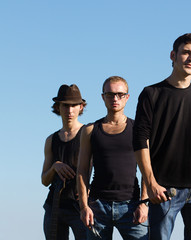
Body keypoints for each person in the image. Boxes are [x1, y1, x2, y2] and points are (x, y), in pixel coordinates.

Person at [133, 33, 191, 239]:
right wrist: (151, 183)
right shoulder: (151, 93)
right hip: (165, 190)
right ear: (173, 55)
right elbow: (140, 140)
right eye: (186, 52)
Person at [77, 76, 148, 240]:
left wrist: (144, 203)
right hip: (98, 207)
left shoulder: (138, 129)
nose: (115, 98)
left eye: (120, 94)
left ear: (127, 97)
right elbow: (82, 171)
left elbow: (147, 169)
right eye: (110, 94)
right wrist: (84, 206)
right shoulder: (90, 130)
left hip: (131, 205)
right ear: (103, 97)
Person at [41, 84, 87, 240]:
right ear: (58, 107)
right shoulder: (51, 140)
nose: (70, 110)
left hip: (81, 207)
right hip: (54, 207)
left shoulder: (88, 133)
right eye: (65, 106)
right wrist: (55, 167)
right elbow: (44, 180)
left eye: (74, 105)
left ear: (81, 107)